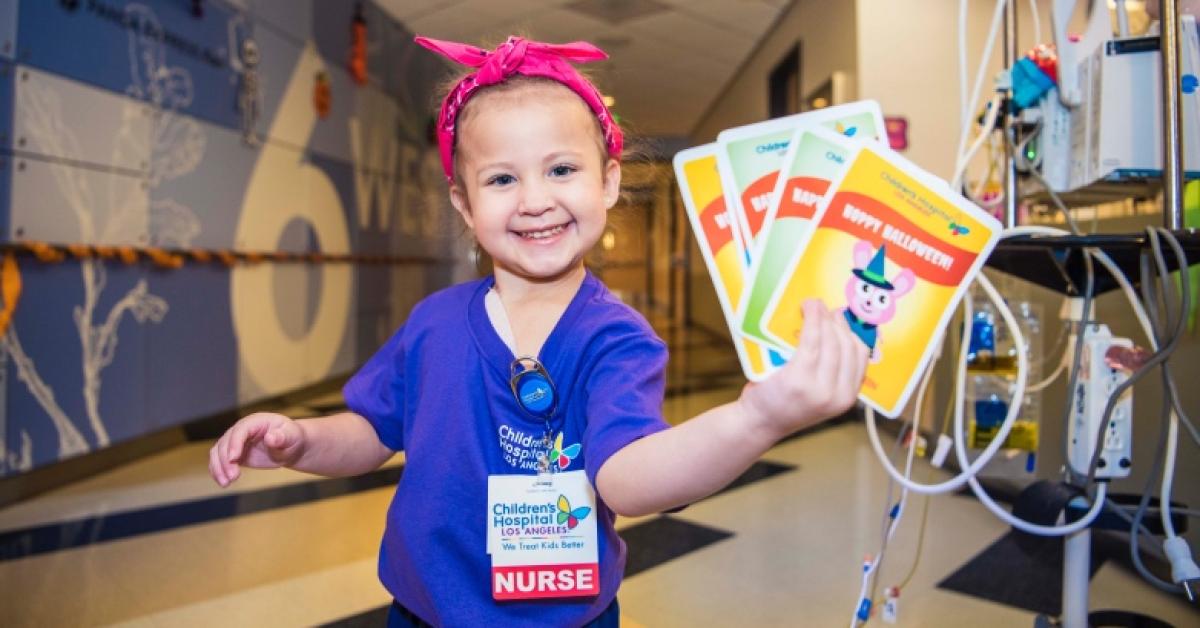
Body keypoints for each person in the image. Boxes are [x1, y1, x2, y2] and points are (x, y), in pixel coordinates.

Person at [208, 35, 869, 627]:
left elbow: (627, 479)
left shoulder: (616, 339)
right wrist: (303, 441)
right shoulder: (434, 324)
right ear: (465, 203)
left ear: (608, 180)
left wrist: (755, 419)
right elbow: (373, 430)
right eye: (501, 178)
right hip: (422, 611)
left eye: (561, 169)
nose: (533, 199)